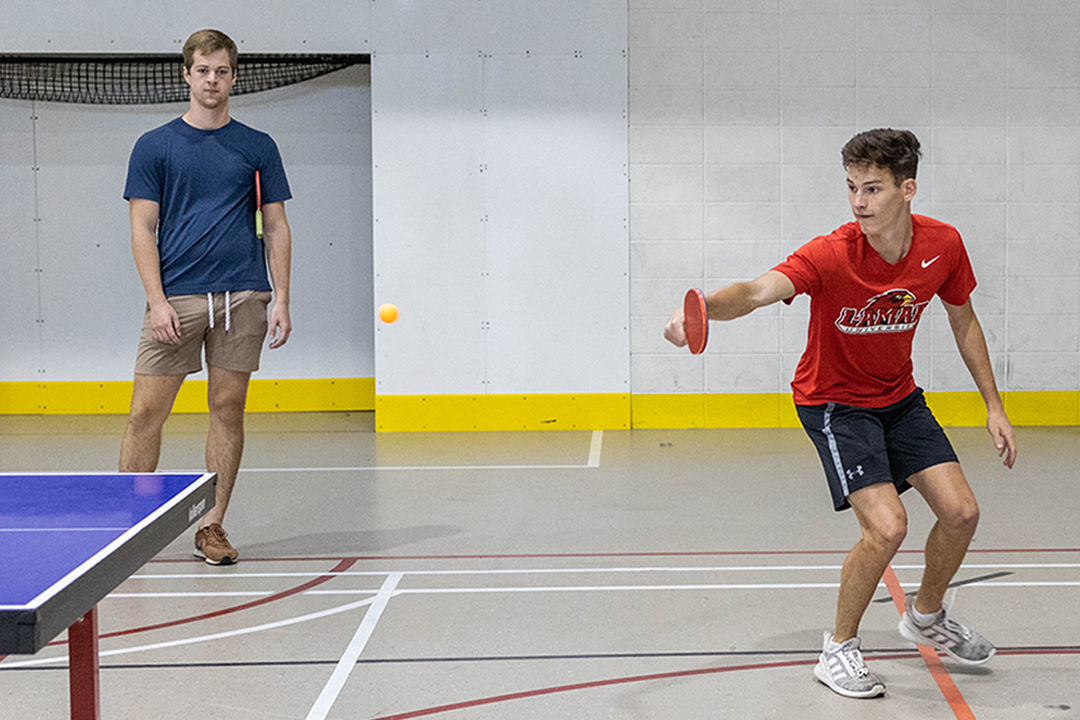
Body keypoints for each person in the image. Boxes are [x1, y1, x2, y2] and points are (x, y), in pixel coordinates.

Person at [664, 128, 1017, 698]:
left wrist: (993, 407)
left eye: (872, 189)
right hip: (834, 404)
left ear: (908, 189)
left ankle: (925, 617)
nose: (858, 202)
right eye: (851, 187)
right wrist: (702, 311)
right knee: (887, 527)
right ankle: (838, 650)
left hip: (899, 398)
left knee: (962, 514)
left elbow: (963, 319)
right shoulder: (830, 254)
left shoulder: (943, 245)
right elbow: (757, 290)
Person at [120, 29, 293, 565]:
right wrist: (157, 299)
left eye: (221, 71)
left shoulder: (258, 146)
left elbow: (276, 224)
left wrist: (281, 297)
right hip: (177, 298)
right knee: (147, 411)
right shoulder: (155, 146)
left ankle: (212, 527)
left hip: (243, 297)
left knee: (228, 407)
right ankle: (128, 527)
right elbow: (142, 227)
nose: (212, 80)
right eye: (203, 70)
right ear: (187, 75)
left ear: (233, 77)